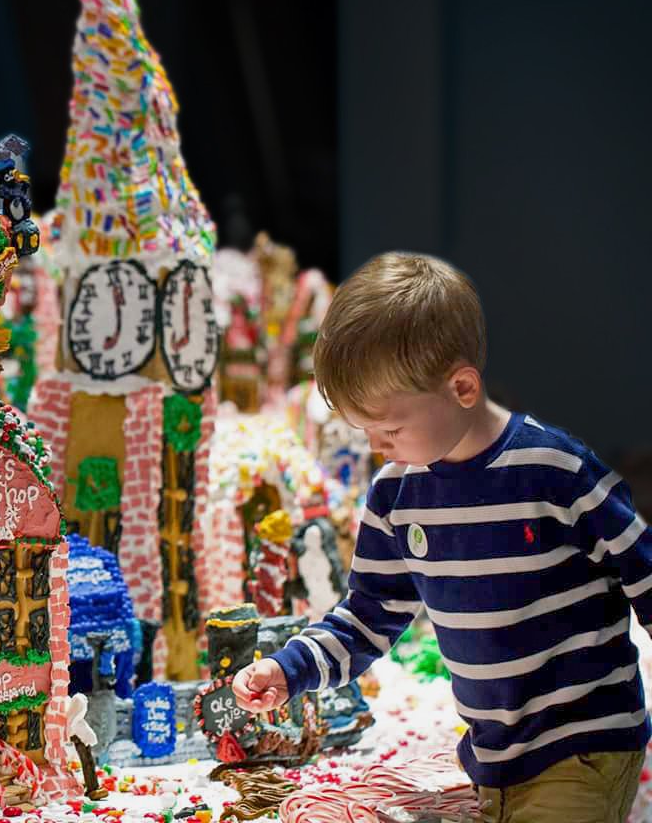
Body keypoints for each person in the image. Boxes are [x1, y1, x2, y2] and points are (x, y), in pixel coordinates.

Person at [232, 252, 649, 823]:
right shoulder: (397, 495)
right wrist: (290, 669)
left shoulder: (555, 471)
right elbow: (368, 615)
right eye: (366, 430)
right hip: (491, 758)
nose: (378, 445)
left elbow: (644, 570)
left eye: (390, 427)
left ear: (462, 387)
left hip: (582, 744)